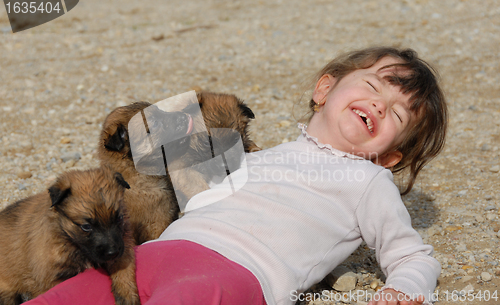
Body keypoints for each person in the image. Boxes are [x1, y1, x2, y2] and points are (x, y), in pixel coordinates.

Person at [25, 46, 447, 305]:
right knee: (67, 296)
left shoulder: (367, 183)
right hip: (155, 252)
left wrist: (404, 290)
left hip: (241, 272)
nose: (378, 105)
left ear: (390, 157)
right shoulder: (259, 158)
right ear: (324, 89)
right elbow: (189, 185)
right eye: (373, 87)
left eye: (395, 113)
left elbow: (413, 256)